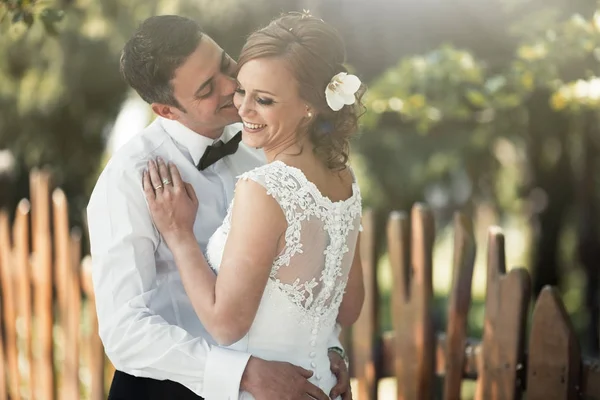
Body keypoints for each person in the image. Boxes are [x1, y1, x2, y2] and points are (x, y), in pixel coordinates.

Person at [87, 14, 353, 400]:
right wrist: (241, 374)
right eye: (208, 88)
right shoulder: (128, 180)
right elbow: (124, 332)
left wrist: (326, 344)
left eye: (227, 64)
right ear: (166, 110)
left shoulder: (264, 137)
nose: (233, 87)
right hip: (169, 391)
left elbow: (301, 264)